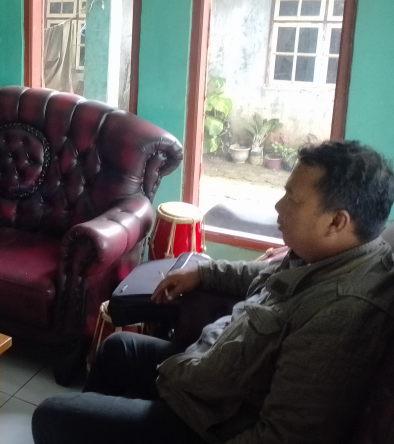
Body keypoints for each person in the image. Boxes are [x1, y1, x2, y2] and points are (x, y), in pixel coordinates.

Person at [32, 140, 394, 444]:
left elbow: (284, 436)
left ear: (336, 221)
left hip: (211, 423)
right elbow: (259, 274)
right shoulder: (325, 255)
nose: (278, 206)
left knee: (52, 416)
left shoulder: (341, 313)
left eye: (293, 199)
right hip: (209, 379)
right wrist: (202, 273)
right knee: (119, 348)